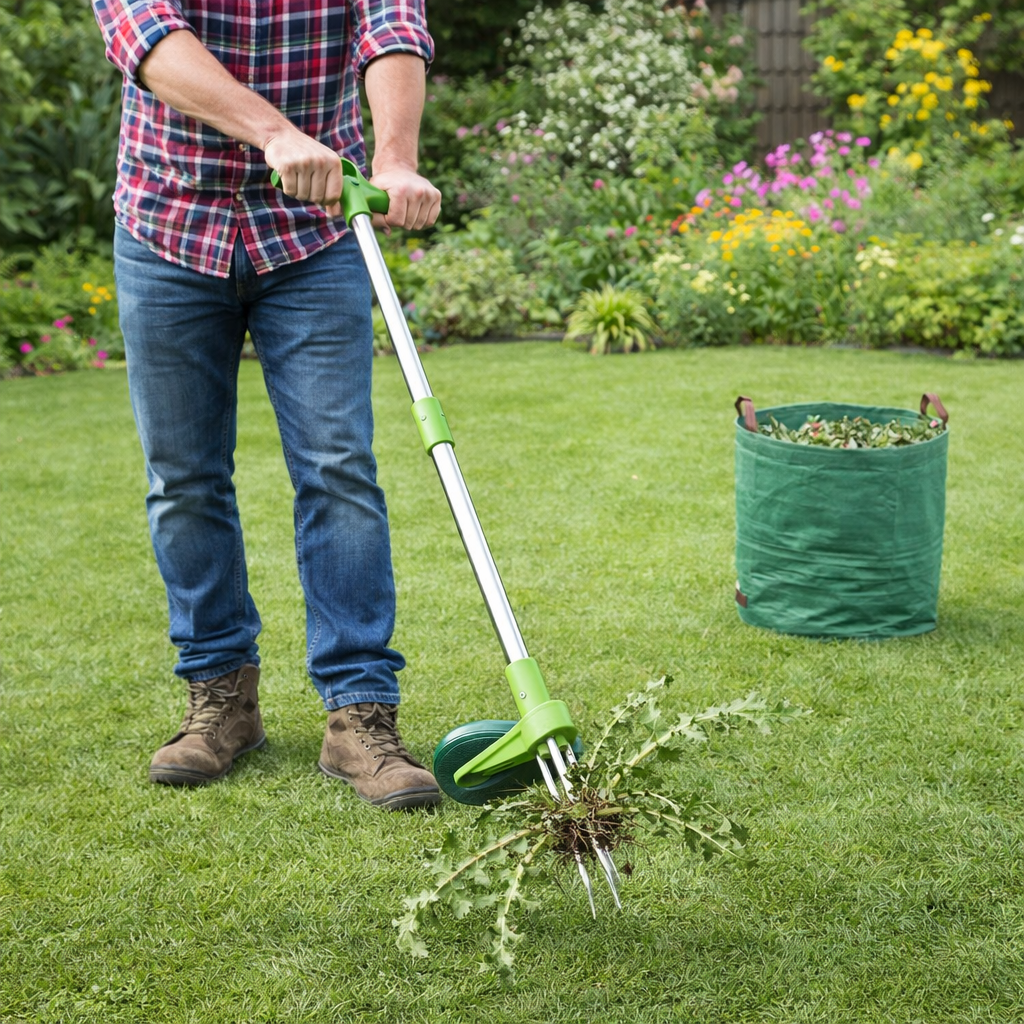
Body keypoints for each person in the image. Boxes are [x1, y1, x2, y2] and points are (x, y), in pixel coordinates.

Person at [89, 0, 443, 809]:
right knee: (184, 477)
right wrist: (275, 133)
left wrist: (392, 156)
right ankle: (221, 701)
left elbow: (392, 26)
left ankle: (360, 714)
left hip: (312, 233)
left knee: (338, 468)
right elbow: (142, 34)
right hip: (170, 219)